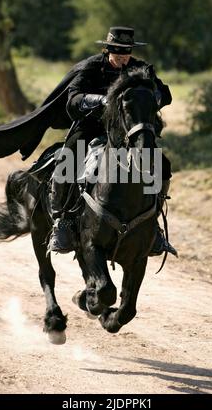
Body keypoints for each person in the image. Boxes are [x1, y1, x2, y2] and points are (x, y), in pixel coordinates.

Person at [49, 26, 177, 257]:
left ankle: (153, 225)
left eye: (126, 51)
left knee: (161, 165)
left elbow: (164, 94)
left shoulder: (140, 68)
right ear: (107, 49)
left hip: (128, 130)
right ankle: (62, 222)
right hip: (91, 126)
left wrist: (150, 96)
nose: (121, 55)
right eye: (116, 50)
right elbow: (73, 99)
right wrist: (101, 100)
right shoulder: (91, 68)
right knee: (67, 159)